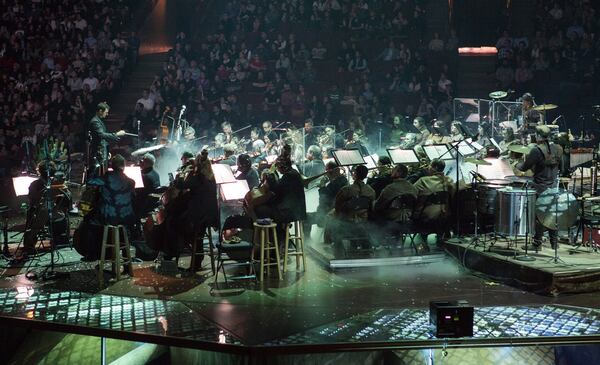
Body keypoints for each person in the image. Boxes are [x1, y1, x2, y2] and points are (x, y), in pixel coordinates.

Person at [516, 125, 563, 250]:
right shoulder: (558, 148)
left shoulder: (537, 150)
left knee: (539, 216)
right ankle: (554, 243)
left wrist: (517, 164)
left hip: (540, 187)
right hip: (553, 187)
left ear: (537, 136)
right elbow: (563, 169)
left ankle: (537, 244)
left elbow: (525, 167)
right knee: (551, 213)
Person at [87, 102, 126, 179]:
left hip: (101, 151)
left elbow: (102, 137)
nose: (107, 114)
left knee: (101, 172)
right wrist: (117, 134)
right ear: (100, 111)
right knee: (96, 173)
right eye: (106, 112)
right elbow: (102, 135)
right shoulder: (95, 122)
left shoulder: (99, 121)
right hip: (98, 152)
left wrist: (107, 151)